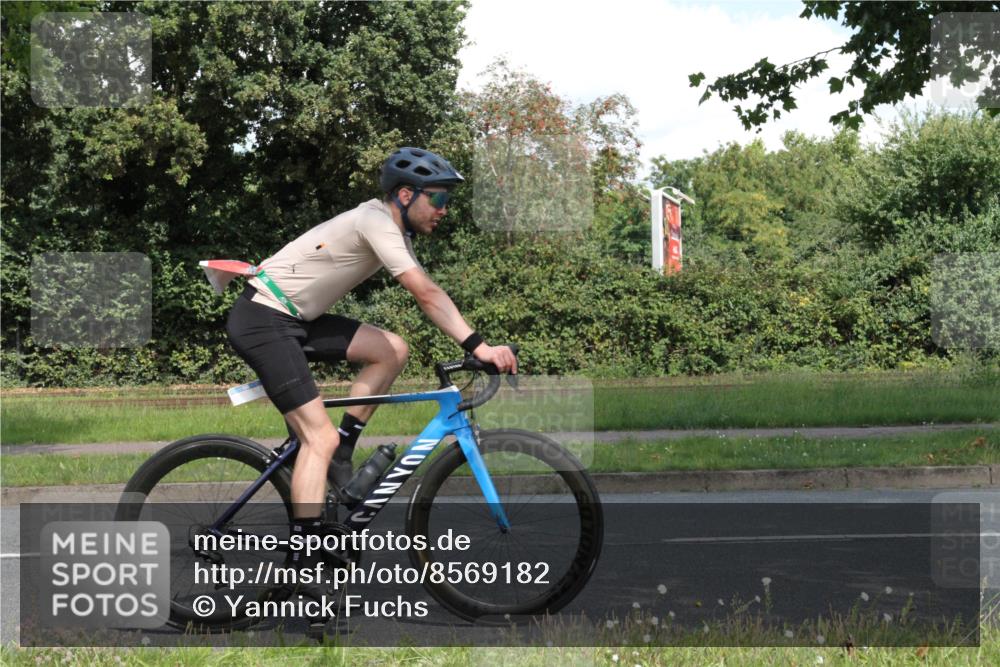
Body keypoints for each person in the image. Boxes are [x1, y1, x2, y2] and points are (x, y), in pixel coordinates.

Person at [224, 147, 517, 630]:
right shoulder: (376, 221)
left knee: (392, 350)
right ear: (406, 194)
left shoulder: (388, 225)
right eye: (438, 198)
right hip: (264, 321)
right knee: (314, 438)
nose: (443, 210)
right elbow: (425, 292)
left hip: (297, 319)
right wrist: (478, 345)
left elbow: (422, 294)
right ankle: (304, 575)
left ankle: (341, 451)